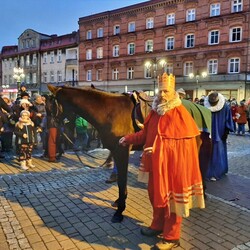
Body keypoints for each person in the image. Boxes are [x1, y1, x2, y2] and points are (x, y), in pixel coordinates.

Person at [119, 73, 205, 250]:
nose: (163, 95)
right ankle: (157, 225)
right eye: (161, 91)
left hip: (173, 168)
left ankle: (172, 237)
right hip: (155, 165)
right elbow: (145, 135)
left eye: (166, 91)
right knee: (155, 196)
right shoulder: (155, 112)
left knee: (173, 201)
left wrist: (159, 151)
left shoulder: (180, 114)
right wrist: (127, 138)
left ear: (173, 92)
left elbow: (182, 147)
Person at [204, 91, 234, 181]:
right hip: (210, 133)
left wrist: (226, 131)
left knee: (217, 152)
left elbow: (228, 120)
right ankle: (214, 170)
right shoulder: (206, 106)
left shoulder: (225, 107)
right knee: (211, 152)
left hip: (220, 134)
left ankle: (217, 171)